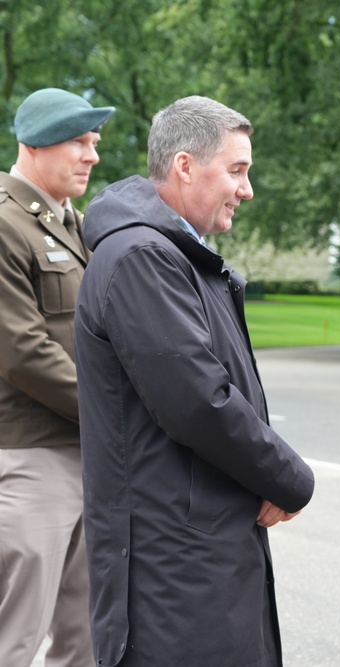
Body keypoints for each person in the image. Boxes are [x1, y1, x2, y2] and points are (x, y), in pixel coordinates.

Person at [74, 96, 315, 667]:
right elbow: (199, 401)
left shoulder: (173, 253)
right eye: (237, 170)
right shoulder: (143, 257)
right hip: (173, 564)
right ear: (185, 166)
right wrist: (291, 479)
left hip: (195, 547)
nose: (247, 189)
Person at [0, 87, 114, 667]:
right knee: (14, 636)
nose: (92, 155)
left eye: (93, 142)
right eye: (78, 141)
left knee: (86, 636)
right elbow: (22, 351)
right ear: (35, 143)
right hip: (32, 459)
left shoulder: (78, 226)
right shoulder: (4, 224)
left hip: (87, 455)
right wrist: (115, 414)